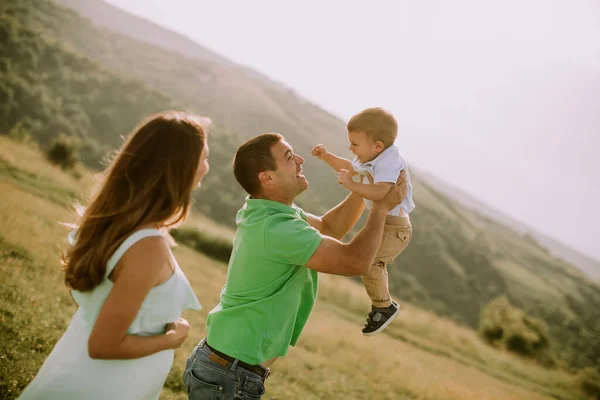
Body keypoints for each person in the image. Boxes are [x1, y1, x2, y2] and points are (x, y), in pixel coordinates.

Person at [183, 132, 407, 399]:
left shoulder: (269, 211)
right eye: (289, 157)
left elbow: (328, 228)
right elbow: (354, 261)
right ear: (267, 177)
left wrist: (364, 187)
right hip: (229, 374)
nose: (300, 160)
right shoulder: (276, 228)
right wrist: (380, 208)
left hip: (225, 366)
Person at [18, 111, 210, 400]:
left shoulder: (120, 225)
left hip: (80, 368)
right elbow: (104, 345)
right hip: (102, 387)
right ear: (181, 167)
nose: (207, 167)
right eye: (204, 158)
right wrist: (172, 339)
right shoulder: (147, 246)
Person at [312, 107, 415, 336]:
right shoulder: (370, 156)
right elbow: (351, 169)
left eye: (354, 144)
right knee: (365, 260)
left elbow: (380, 193)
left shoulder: (390, 161)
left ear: (377, 145)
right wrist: (326, 156)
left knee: (369, 263)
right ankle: (382, 305)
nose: (351, 148)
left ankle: (384, 306)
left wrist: (351, 185)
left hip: (396, 228)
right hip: (386, 223)